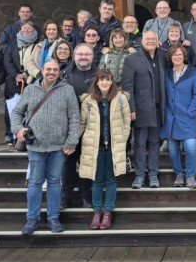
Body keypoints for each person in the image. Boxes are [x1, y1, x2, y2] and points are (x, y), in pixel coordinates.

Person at [13, 59, 80, 235]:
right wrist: (18, 129)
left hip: (58, 147)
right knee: (35, 182)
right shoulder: (30, 90)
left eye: (55, 70)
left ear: (59, 72)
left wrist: (71, 141)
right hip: (36, 145)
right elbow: (17, 112)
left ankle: (53, 217)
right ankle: (32, 218)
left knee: (55, 182)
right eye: (48, 69)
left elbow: (75, 117)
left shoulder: (67, 90)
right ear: (42, 70)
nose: (51, 72)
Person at [78, 70, 131, 230]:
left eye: (108, 80)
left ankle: (108, 212)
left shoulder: (120, 98)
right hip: (95, 146)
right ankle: (97, 212)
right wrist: (73, 142)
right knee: (97, 180)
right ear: (97, 82)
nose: (105, 83)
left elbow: (127, 121)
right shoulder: (88, 100)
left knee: (111, 180)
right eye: (102, 80)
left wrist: (122, 139)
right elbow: (82, 123)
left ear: (112, 82)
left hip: (114, 146)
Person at [121, 30, 166, 189]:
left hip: (158, 109)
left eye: (153, 39)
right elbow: (127, 86)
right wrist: (131, 108)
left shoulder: (163, 56)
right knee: (139, 144)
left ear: (157, 41)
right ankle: (139, 175)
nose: (150, 41)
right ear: (142, 41)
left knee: (155, 143)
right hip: (140, 109)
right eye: (148, 39)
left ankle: (153, 174)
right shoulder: (132, 59)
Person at [60, 43, 97, 209]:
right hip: (68, 127)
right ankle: (65, 197)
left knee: (87, 163)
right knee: (67, 163)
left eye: (87, 54)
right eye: (80, 54)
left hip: (91, 126)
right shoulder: (63, 75)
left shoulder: (100, 75)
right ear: (74, 56)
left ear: (92, 57)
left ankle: (86, 196)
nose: (83, 57)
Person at [162, 44, 196, 189]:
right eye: (174, 55)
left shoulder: (193, 73)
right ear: (170, 57)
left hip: (187, 117)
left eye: (180, 54)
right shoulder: (167, 72)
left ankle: (190, 176)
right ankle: (179, 174)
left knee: (191, 147)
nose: (177, 57)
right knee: (173, 149)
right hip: (170, 118)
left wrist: (191, 112)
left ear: (184, 56)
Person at [2, 20, 40, 144]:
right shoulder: (12, 45)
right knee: (12, 108)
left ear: (34, 30)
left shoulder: (37, 45)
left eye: (29, 28)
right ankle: (11, 135)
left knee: (29, 108)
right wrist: (16, 75)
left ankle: (27, 136)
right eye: (24, 28)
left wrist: (27, 73)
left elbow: (37, 62)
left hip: (30, 79)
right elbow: (7, 61)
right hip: (14, 81)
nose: (26, 30)